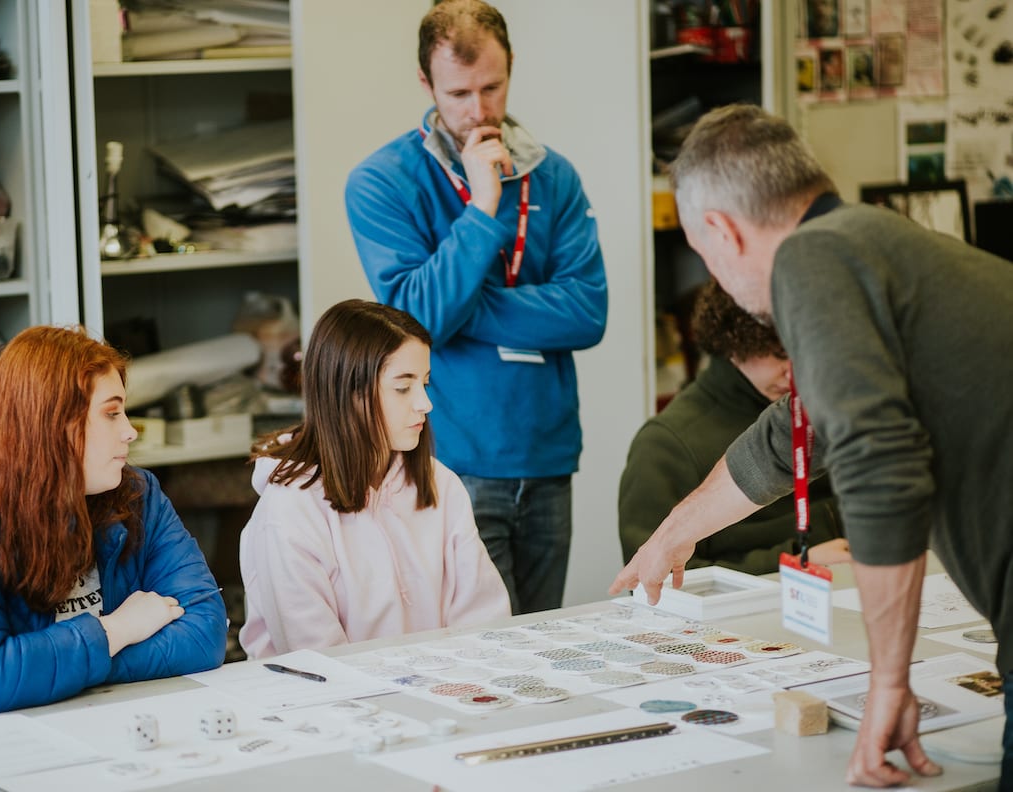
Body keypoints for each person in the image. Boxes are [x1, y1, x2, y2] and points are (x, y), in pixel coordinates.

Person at [610, 104, 1013, 788]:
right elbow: (798, 430)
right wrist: (672, 536)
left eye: (706, 259)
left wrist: (888, 679)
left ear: (721, 233)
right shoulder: (873, 240)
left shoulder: (809, 262)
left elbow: (882, 473)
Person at [0, 326, 226, 792]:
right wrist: (116, 630)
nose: (129, 431)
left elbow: (205, 634)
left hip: (90, 747)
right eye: (111, 414)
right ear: (51, 423)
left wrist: (54, 671)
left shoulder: (139, 494)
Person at [344, 0, 607, 615]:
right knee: (480, 650)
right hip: (450, 457)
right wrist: (483, 206)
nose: (480, 111)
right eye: (459, 93)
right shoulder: (381, 180)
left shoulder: (555, 175)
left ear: (511, 67)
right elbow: (417, 319)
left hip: (547, 454)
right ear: (425, 83)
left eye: (493, 87)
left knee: (542, 646)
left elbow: (587, 312)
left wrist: (465, 304)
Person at [238, 299, 510, 659]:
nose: (425, 404)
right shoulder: (289, 508)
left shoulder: (440, 484)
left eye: (425, 384)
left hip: (441, 696)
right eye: (403, 387)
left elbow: (484, 624)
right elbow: (318, 659)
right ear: (348, 392)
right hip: (328, 706)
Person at [619, 280, 848, 575]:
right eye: (779, 353)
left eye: (802, 352)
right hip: (750, 610)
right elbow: (652, 578)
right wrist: (791, 562)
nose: (793, 370)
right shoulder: (665, 444)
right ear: (734, 345)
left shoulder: (828, 408)